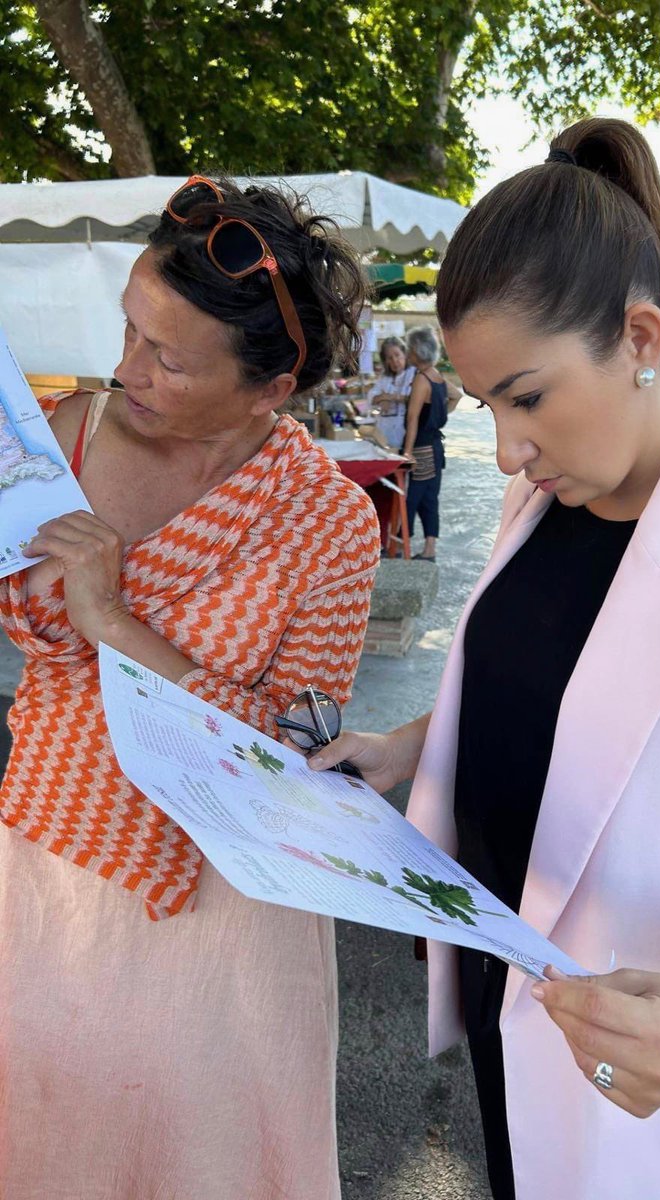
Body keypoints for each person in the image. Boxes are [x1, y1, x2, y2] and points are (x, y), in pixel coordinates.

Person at [309, 118, 660, 1200]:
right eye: (484, 406)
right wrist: (402, 749)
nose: (505, 448)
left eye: (524, 397)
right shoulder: (540, 496)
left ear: (641, 337)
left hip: (649, 1080)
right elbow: (562, 689)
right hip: (503, 996)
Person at [0, 176, 381, 1198]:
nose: (126, 370)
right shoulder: (61, 436)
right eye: (128, 329)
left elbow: (301, 759)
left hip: (222, 909)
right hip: (48, 868)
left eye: (166, 357)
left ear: (270, 388)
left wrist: (114, 624)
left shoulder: (326, 523)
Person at [402, 324, 460, 561]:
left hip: (422, 449)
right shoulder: (437, 377)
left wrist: (407, 451)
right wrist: (439, 416)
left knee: (412, 499)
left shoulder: (421, 379)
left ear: (416, 350)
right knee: (430, 499)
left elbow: (413, 418)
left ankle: (401, 543)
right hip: (436, 447)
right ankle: (429, 548)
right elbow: (457, 396)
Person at [368, 335, 416, 447]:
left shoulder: (413, 374)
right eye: (389, 358)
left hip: (405, 435)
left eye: (397, 355)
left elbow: (414, 398)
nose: (395, 361)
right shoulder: (385, 377)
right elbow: (372, 397)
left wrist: (388, 397)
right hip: (384, 433)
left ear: (405, 354)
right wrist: (381, 399)